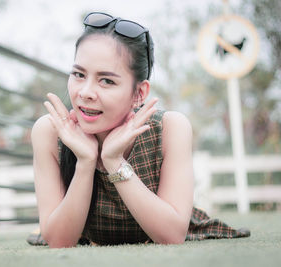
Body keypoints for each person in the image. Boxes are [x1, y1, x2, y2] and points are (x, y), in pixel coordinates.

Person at [28, 12, 250, 248]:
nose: (85, 92)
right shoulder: (50, 133)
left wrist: (114, 161)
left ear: (139, 94)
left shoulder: (169, 129)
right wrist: (85, 162)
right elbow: (59, 241)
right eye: (79, 74)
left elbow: (172, 235)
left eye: (107, 81)